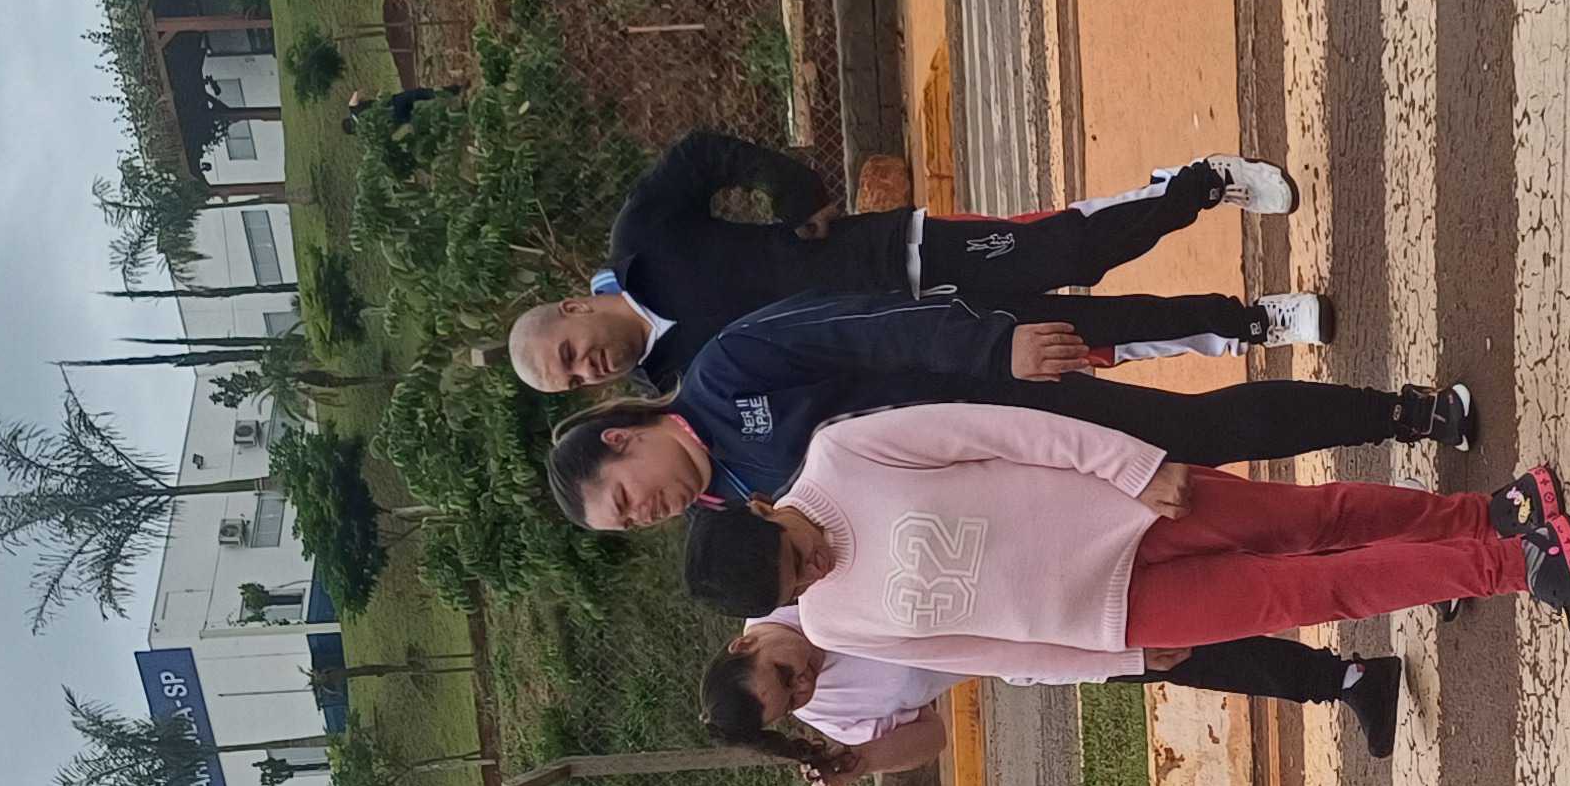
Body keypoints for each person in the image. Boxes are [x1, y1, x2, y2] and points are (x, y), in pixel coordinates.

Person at [680, 403, 1570, 662]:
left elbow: (1000, 429)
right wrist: (1116, 663)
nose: (818, 569)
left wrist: (1128, 466)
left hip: (1128, 508)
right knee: (1316, 593)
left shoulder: (842, 455)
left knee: (1313, 520)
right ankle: (1516, 565)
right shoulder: (832, 622)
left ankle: (1487, 517)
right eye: (800, 584)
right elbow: (987, 653)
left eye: (797, 552)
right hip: (1114, 617)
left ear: (762, 506)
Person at [542, 291, 1476, 529]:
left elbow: (872, 329)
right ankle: (1422, 536)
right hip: (1009, 500)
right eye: (632, 526)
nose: (648, 513)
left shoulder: (725, 371)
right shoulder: (742, 517)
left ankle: (1406, 416)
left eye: (626, 497)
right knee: (1211, 511)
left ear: (622, 437)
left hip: (1001, 400)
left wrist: (996, 349)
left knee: (1197, 436)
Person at [512, 134, 1307, 394]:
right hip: (926, 343)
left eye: (571, 353)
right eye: (575, 381)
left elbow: (701, 155)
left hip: (894, 256)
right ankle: (1248, 324)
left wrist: (795, 194)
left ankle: (1199, 185)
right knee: (1092, 337)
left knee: (1073, 249)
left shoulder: (644, 241)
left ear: (573, 308)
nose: (589, 370)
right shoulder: (683, 387)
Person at [699, 611, 1405, 786]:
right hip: (1037, 649)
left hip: (1030, 564)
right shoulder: (824, 709)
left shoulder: (793, 580)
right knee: (1191, 657)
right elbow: (931, 735)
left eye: (785, 673)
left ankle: (1418, 546)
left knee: (1221, 576)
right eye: (791, 702)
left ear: (745, 642)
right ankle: (1346, 680)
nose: (804, 685)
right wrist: (862, 760)